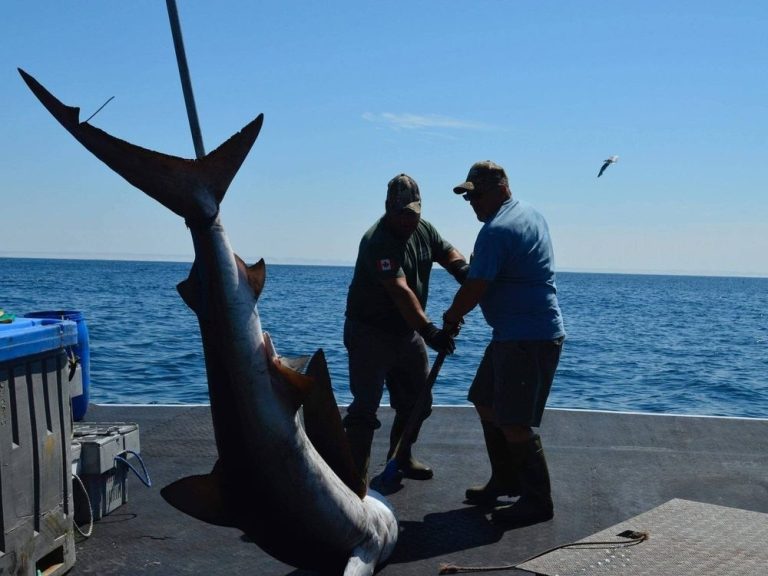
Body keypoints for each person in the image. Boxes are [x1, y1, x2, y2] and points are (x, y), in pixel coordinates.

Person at [442, 160, 565, 527]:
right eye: (468, 197)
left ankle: (538, 500)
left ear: (501, 189)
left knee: (514, 421)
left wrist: (451, 317)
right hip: (513, 335)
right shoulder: (530, 214)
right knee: (484, 399)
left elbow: (477, 285)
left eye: (477, 195)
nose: (473, 203)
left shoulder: (498, 230)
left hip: (527, 338)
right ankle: (506, 478)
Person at [343, 173, 469, 492]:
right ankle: (352, 474)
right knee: (364, 408)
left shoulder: (423, 228)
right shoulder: (378, 241)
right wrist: (430, 332)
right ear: (388, 208)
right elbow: (400, 292)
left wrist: (463, 272)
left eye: (413, 213)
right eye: (401, 213)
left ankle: (400, 457)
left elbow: (447, 251)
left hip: (405, 332)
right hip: (370, 333)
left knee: (418, 402)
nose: (408, 220)